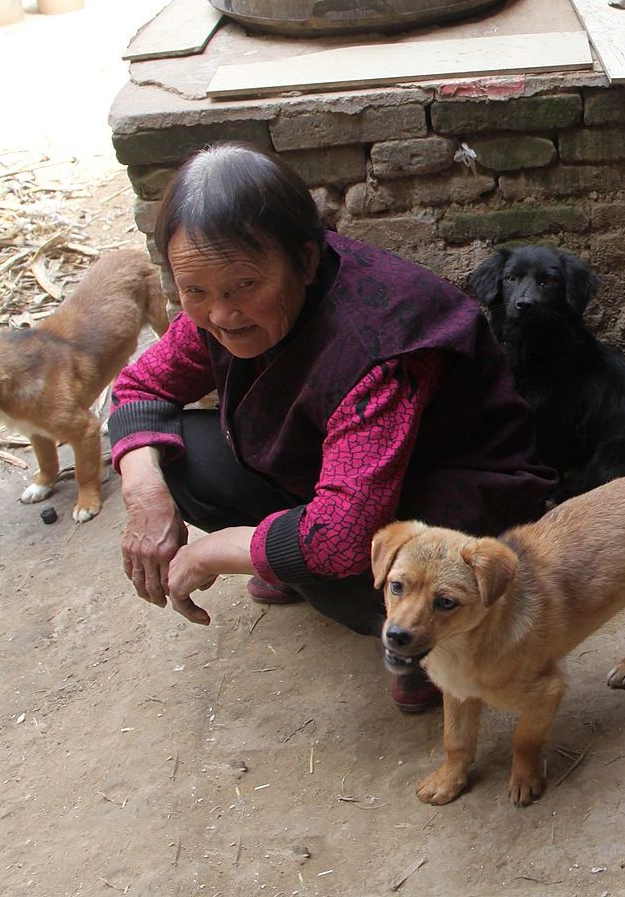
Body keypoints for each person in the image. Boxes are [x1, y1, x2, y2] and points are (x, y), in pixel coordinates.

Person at [108, 142, 555, 712]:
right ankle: (292, 570)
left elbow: (340, 538)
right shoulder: (217, 302)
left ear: (306, 261)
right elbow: (139, 388)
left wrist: (216, 550)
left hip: (456, 499)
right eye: (194, 291)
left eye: (244, 286)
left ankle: (426, 646)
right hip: (343, 475)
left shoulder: (380, 343)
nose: (221, 314)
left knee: (343, 557)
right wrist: (145, 493)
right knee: (174, 461)